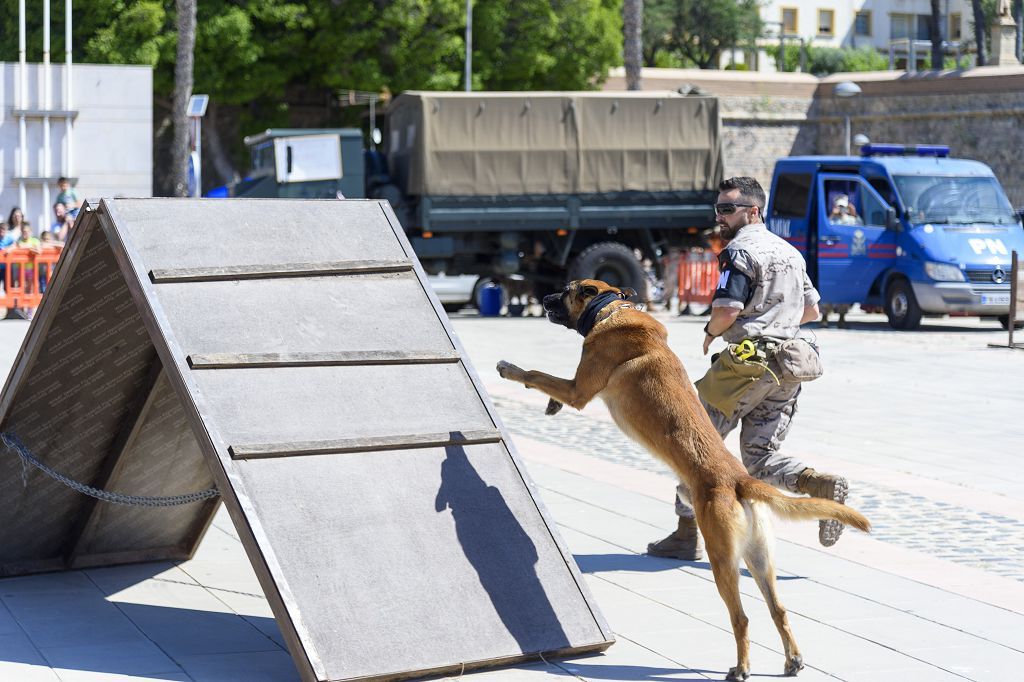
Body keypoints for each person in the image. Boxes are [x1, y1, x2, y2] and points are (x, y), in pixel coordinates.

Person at [647, 176, 850, 561]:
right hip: (790, 366)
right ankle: (818, 484)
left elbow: (727, 309)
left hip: (745, 367)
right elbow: (812, 310)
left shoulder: (739, 252)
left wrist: (710, 331)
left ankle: (686, 533)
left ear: (752, 211)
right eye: (718, 209)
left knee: (690, 445)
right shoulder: (790, 252)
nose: (719, 217)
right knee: (760, 457)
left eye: (727, 210)